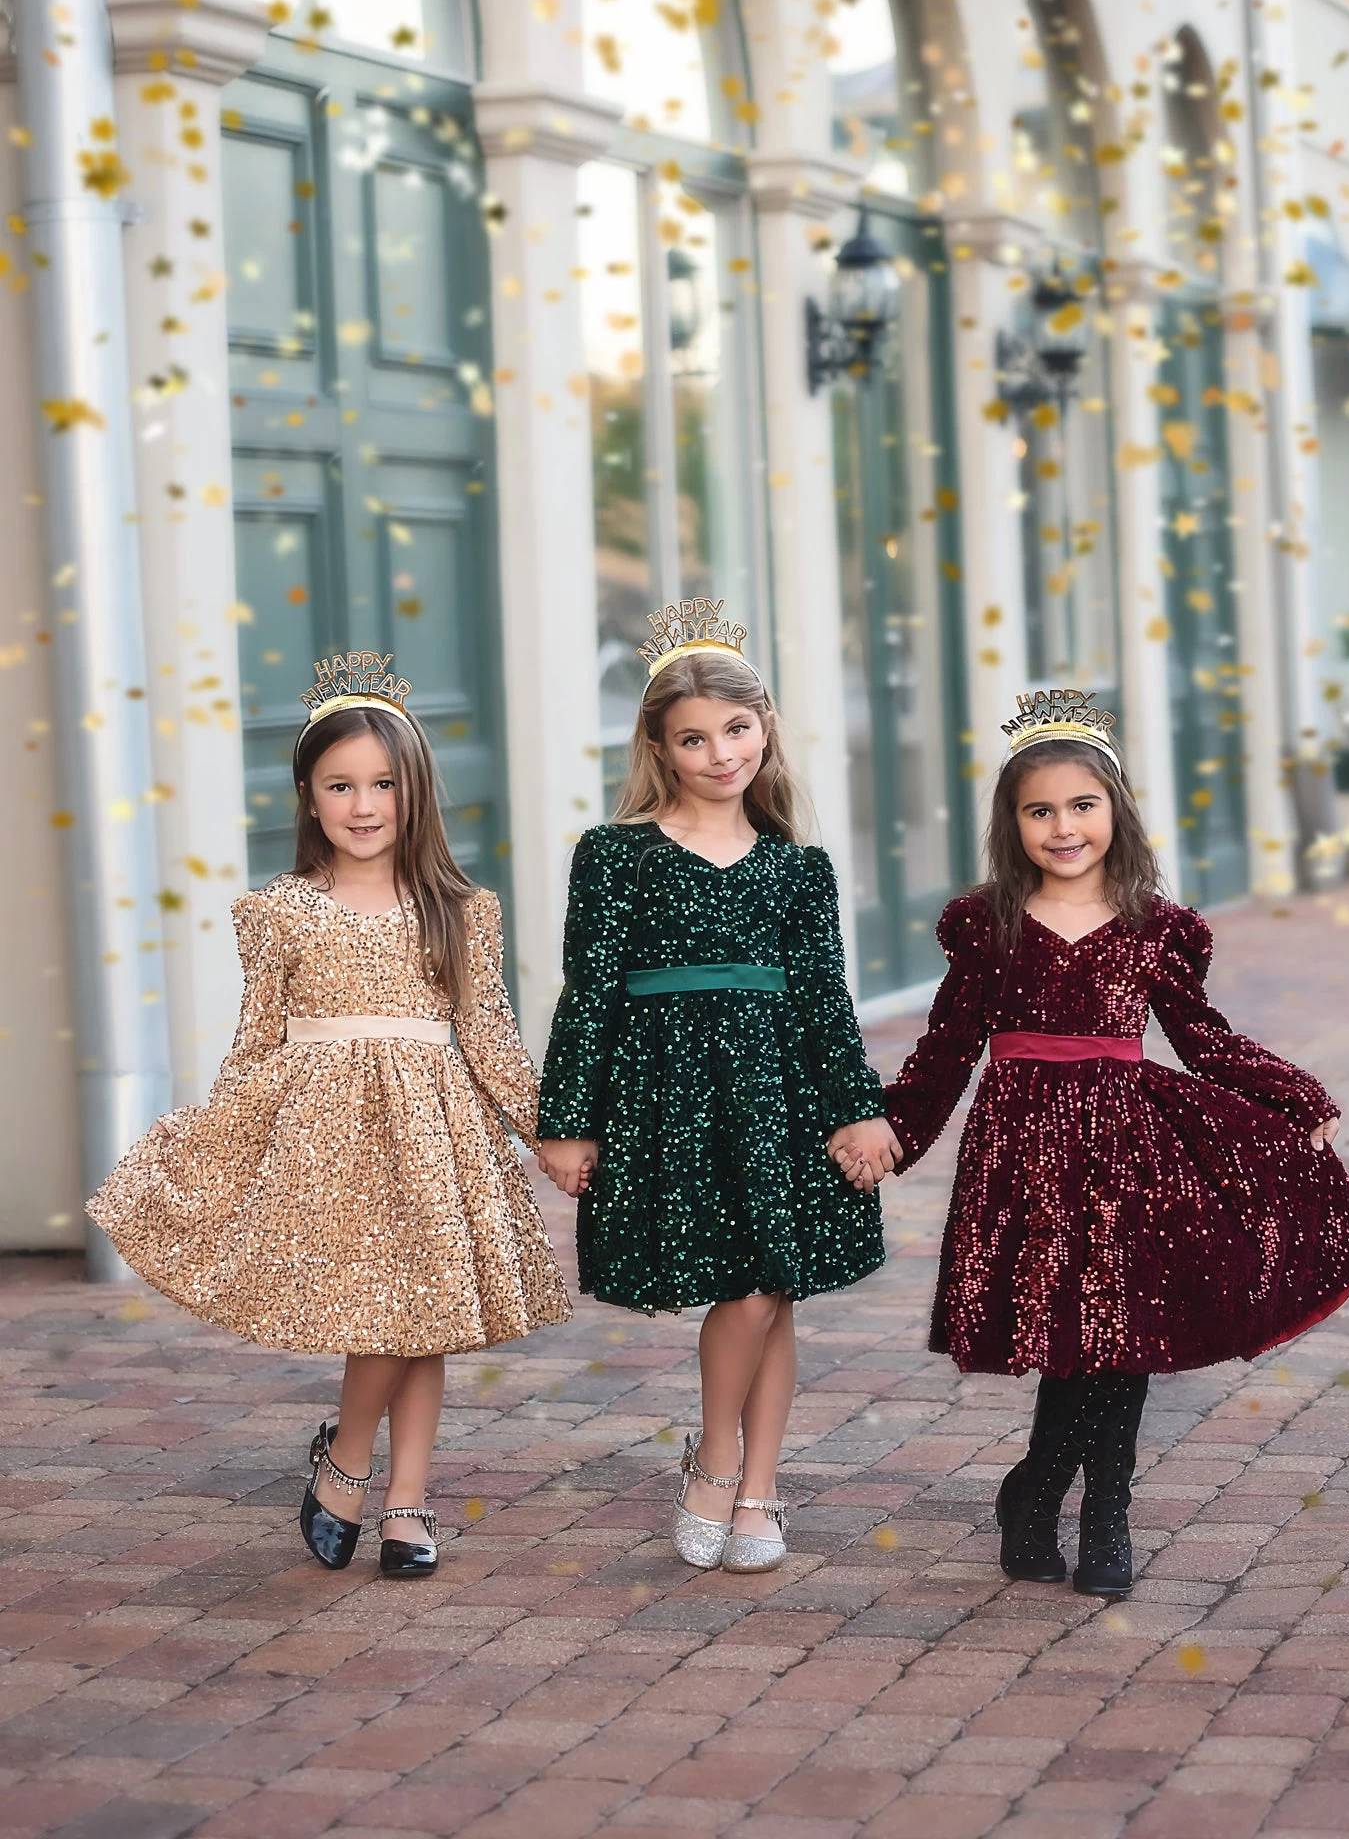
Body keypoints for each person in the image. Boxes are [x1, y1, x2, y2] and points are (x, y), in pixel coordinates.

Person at [840, 690, 1349, 1599]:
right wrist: (895, 1131)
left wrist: (1291, 1091)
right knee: (1071, 1337)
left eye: (1081, 806)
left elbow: (1204, 1037)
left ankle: (1102, 1510)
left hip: (1124, 1154)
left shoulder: (1155, 927)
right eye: (1040, 811)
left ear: (1116, 809)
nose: (1063, 828)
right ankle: (1036, 1494)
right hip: (1022, 1155)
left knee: (1120, 1332)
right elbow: (945, 1050)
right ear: (1012, 823)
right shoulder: (987, 924)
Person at [88, 661, 570, 1579]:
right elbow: (256, 1040)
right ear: (308, 796)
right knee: (383, 1313)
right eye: (340, 786)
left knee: (425, 1317)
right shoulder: (279, 911)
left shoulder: (460, 910)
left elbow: (490, 1034)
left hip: (432, 1135)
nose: (363, 805)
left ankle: (402, 1499)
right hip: (327, 1139)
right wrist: (223, 1140)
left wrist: (547, 1129)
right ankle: (349, 1461)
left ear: (414, 791)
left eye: (382, 784)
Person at [536, 602, 900, 1574]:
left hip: (778, 1092)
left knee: (771, 1284)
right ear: (658, 745)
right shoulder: (617, 854)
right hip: (672, 1095)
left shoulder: (797, 867)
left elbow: (824, 998)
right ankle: (720, 1459)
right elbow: (588, 990)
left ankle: (750, 1483)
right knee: (746, 1286)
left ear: (765, 727)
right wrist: (564, 1121)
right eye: (692, 737)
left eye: (735, 729)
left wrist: (857, 1106)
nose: (719, 752)